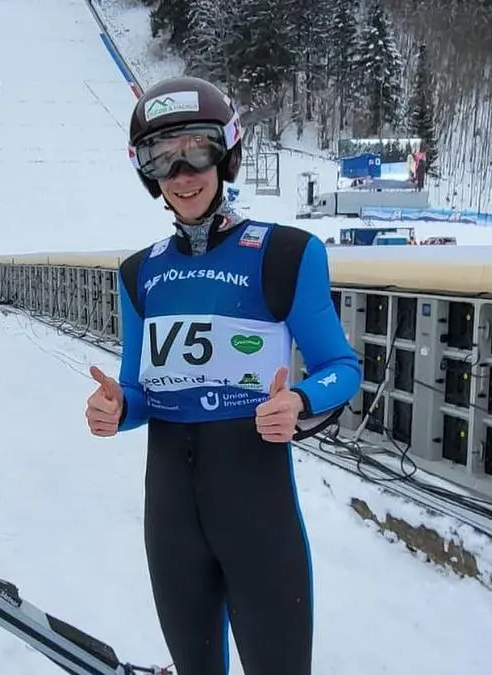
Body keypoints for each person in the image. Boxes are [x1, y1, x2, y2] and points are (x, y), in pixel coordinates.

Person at [83, 76, 362, 675]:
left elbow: (343, 369)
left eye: (198, 150)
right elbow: (139, 392)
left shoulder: (287, 254)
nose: (183, 173)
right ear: (148, 173)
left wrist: (302, 401)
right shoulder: (138, 274)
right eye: (163, 157)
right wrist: (117, 409)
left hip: (256, 510)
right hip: (171, 518)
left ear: (226, 153)